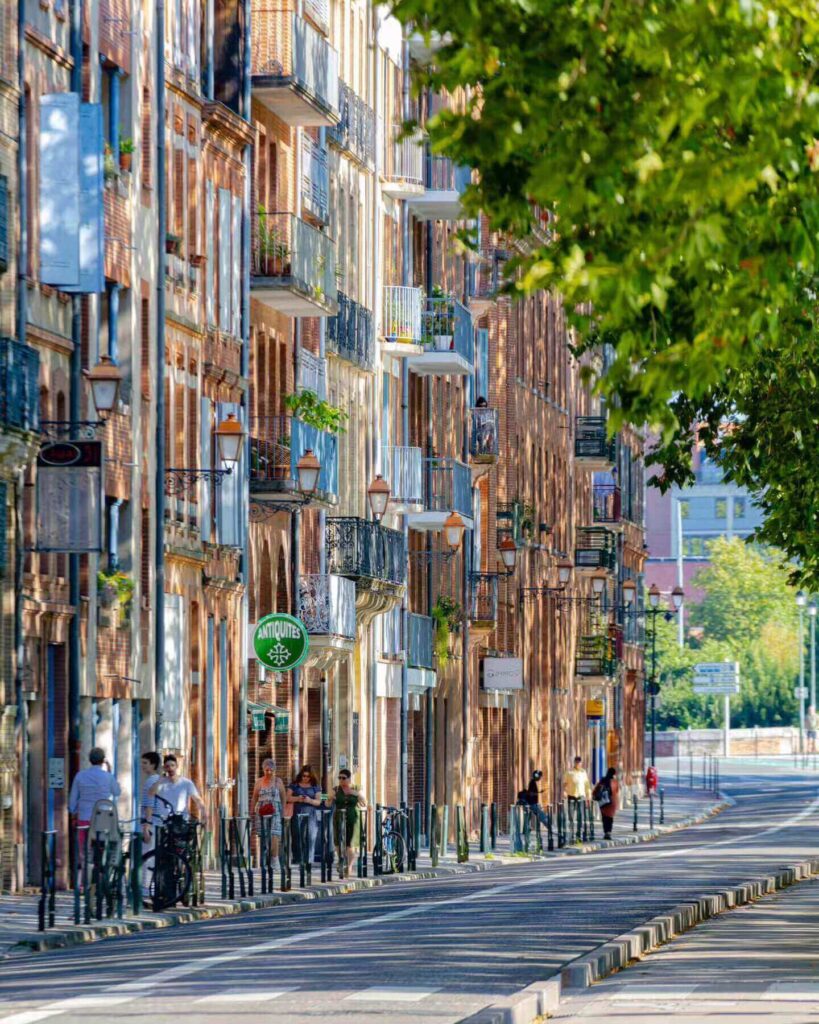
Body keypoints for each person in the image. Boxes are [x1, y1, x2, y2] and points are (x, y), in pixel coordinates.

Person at [68, 747, 121, 835]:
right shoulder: (108, 776)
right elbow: (117, 792)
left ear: (90, 760)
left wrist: (73, 812)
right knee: (102, 843)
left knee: (84, 843)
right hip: (103, 815)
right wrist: (110, 772)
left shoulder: (80, 775)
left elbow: (73, 797)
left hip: (84, 815)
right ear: (103, 760)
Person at [148, 754, 206, 824]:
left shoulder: (186, 783)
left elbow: (197, 799)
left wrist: (203, 813)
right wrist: (160, 776)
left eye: (172, 765)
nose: (170, 768)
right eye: (167, 766)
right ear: (165, 768)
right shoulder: (161, 783)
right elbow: (151, 793)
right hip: (163, 823)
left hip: (181, 822)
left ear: (177, 766)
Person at [251, 758, 287, 859]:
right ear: (263, 770)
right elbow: (254, 798)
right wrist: (251, 812)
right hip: (262, 810)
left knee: (274, 833)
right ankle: (266, 858)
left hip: (275, 810)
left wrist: (283, 811)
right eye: (267, 770)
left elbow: (283, 797)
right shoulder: (259, 782)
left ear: (274, 770)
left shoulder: (278, 781)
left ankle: (274, 859)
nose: (269, 772)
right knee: (264, 834)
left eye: (271, 770)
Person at [332, 769, 365, 872]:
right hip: (338, 817)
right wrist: (328, 798)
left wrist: (354, 793)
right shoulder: (336, 789)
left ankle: (349, 866)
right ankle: (341, 860)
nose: (341, 780)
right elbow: (327, 803)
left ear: (349, 779)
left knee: (350, 844)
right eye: (339, 778)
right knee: (338, 841)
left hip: (353, 818)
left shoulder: (356, 788)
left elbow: (364, 802)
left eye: (343, 778)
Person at [288, 764, 322, 864]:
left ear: (311, 777)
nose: (305, 778)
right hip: (297, 813)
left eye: (308, 776)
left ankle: (308, 861)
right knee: (297, 836)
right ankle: (298, 860)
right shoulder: (294, 785)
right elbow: (287, 797)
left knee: (310, 837)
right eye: (303, 776)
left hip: (310, 814)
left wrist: (309, 800)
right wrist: (298, 798)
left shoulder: (315, 786)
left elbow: (318, 801)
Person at [563, 756, 592, 835]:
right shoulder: (569, 772)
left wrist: (588, 794)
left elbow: (587, 785)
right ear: (574, 762)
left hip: (581, 796)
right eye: (577, 762)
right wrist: (565, 791)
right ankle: (571, 830)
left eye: (579, 762)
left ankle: (579, 831)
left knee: (580, 815)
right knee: (571, 815)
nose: (578, 763)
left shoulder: (583, 772)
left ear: (581, 763)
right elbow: (565, 784)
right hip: (571, 795)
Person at [593, 767, 619, 839]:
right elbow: (616, 791)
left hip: (603, 802)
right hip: (612, 802)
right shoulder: (614, 782)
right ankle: (608, 832)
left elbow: (596, 789)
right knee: (610, 818)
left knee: (604, 817)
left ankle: (605, 832)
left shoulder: (603, 780)